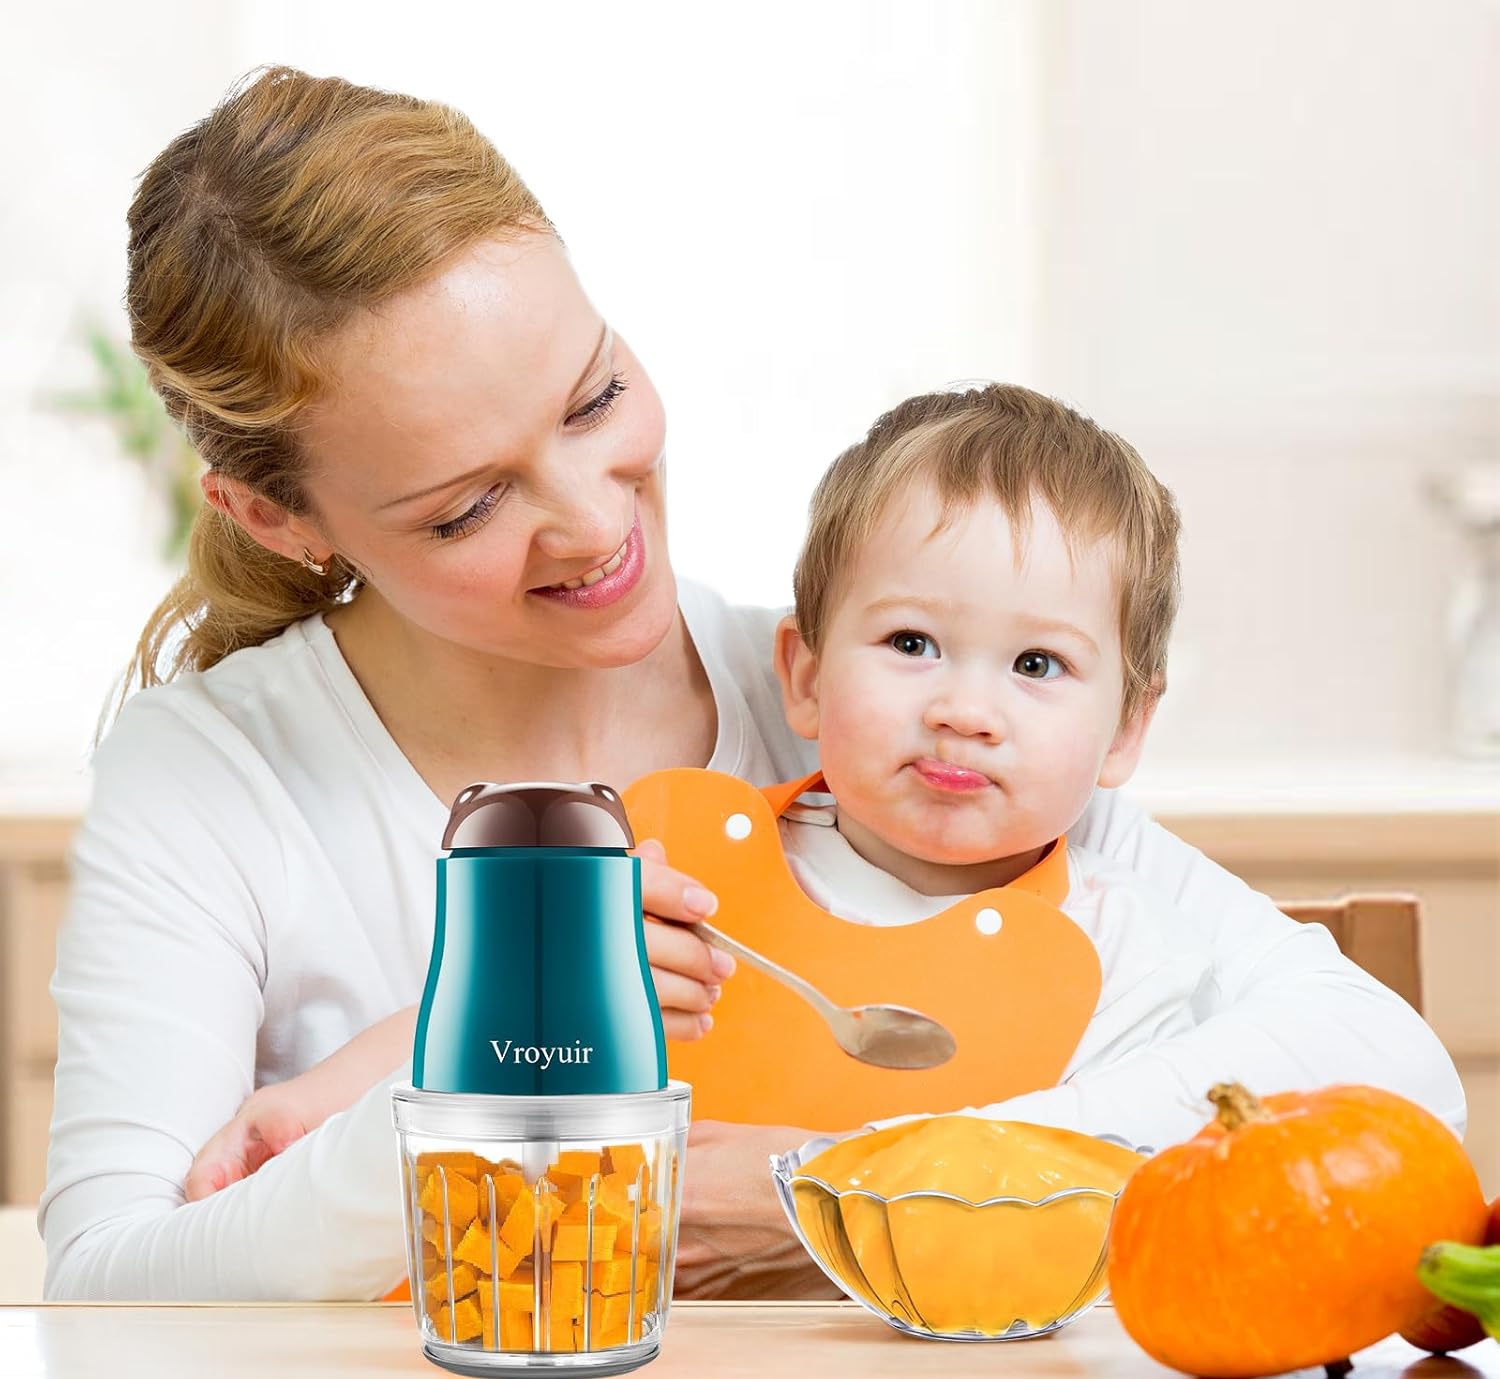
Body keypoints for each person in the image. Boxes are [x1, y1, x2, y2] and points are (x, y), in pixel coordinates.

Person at [40, 67, 1466, 1304]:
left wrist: (839, 1188)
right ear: (278, 518)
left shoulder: (892, 719)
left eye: (595, 399)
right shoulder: (213, 774)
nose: (599, 524)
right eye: (468, 506)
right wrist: (476, 1057)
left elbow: (1377, 1078)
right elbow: (107, 1282)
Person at [184, 380, 1223, 1197]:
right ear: (805, 675)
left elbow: (1118, 1198)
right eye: (913, 642)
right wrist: (314, 1106)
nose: (964, 708)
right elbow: (489, 1019)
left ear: (1128, 727)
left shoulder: (1137, 963)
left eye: (1036, 666)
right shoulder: (679, 884)